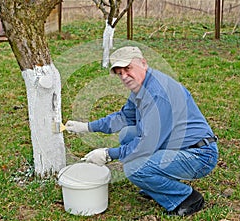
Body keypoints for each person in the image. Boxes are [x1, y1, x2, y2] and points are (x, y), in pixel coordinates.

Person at [65, 46, 218, 216]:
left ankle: (187, 198)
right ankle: (159, 181)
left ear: (143, 63)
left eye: (128, 68)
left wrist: (108, 154)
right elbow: (124, 117)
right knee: (127, 134)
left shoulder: (157, 93)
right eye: (119, 72)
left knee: (134, 168)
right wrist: (86, 127)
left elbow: (146, 144)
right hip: (177, 145)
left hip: (198, 155)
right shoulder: (142, 86)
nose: (124, 76)